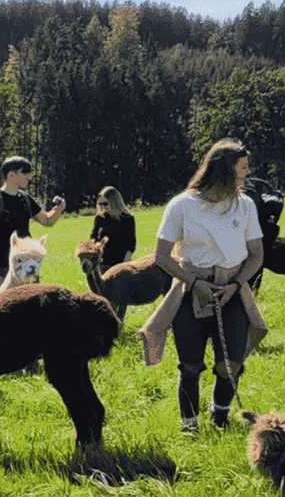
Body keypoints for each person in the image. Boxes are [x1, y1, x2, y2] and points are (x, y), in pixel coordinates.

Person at [136, 139, 267, 432]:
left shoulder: (245, 205)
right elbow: (161, 256)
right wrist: (194, 282)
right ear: (225, 169)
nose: (247, 172)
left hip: (232, 291)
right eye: (243, 167)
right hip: (189, 292)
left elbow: (256, 255)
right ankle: (189, 427)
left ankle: (219, 416)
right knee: (190, 366)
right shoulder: (182, 205)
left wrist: (235, 285)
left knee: (231, 364)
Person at [0, 156, 66, 291]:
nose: (28, 177)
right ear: (11, 175)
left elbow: (47, 220)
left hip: (28, 268)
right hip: (1, 269)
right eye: (24, 173)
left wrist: (59, 209)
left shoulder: (25, 199)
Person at [90, 186, 136, 272]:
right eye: (100, 204)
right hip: (102, 264)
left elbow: (131, 245)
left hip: (121, 264)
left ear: (114, 202)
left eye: (105, 203)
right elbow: (93, 239)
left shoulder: (127, 219)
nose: (102, 207)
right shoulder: (99, 218)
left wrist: (124, 265)